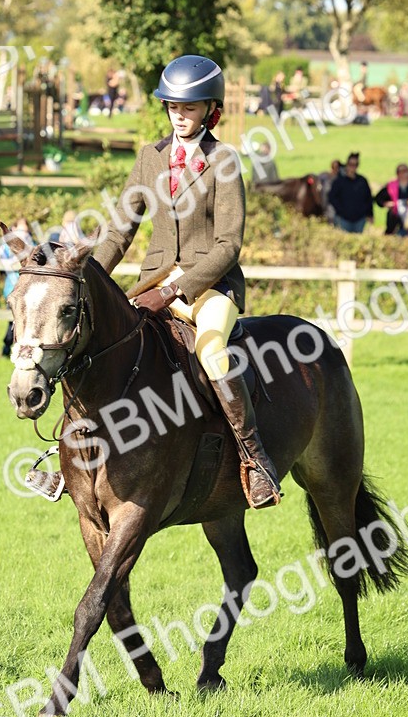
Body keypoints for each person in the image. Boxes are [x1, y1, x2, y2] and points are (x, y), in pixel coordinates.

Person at [92, 53, 281, 509]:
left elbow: (228, 245)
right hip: (150, 283)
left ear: (210, 111)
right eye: (174, 107)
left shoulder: (225, 161)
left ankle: (254, 460)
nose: (180, 116)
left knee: (211, 348)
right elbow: (120, 230)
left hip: (210, 288)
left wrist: (175, 289)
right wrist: (88, 276)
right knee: (103, 346)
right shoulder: (149, 159)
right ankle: (70, 457)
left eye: (190, 108)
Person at [0, 216, 32, 357]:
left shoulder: (33, 245)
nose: (23, 234)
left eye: (25, 231)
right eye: (20, 230)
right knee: (11, 320)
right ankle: (8, 345)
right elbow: (6, 264)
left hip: (29, 290)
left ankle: (19, 348)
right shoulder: (5, 248)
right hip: (12, 287)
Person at [328, 152, 373, 233]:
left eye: (355, 165)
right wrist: (340, 211)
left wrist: (370, 214)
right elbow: (332, 197)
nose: (352, 167)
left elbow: (368, 198)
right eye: (350, 164)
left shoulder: (362, 181)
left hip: (360, 219)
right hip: (343, 219)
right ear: (347, 164)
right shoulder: (339, 181)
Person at [318, 159, 342, 223]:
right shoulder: (324, 176)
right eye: (333, 167)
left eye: (337, 167)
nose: (335, 169)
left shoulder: (341, 178)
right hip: (325, 203)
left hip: (335, 206)